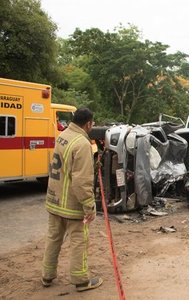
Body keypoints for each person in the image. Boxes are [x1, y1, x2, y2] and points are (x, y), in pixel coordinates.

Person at [42, 108, 103, 292]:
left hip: (55, 200)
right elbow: (81, 181)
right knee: (79, 240)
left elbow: (68, 167)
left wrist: (93, 164)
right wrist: (89, 206)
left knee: (53, 238)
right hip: (71, 205)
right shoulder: (82, 144)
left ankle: (47, 275)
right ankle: (81, 280)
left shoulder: (63, 135)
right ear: (88, 123)